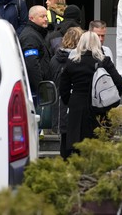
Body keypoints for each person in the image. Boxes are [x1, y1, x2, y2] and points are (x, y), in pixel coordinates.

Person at [59, 31, 122, 155]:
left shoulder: (72, 62)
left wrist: (69, 102)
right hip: (100, 106)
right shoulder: (105, 61)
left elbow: (63, 88)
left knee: (77, 144)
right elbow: (119, 82)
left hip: (77, 105)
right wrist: (111, 101)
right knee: (99, 144)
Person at [48, 26, 83, 159]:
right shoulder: (79, 60)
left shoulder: (54, 59)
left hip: (59, 106)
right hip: (75, 107)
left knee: (64, 144)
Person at [18, 5, 52, 104]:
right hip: (36, 92)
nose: (46, 19)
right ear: (31, 18)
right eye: (42, 16)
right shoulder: (30, 37)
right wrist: (42, 91)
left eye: (46, 16)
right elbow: (32, 66)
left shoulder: (38, 34)